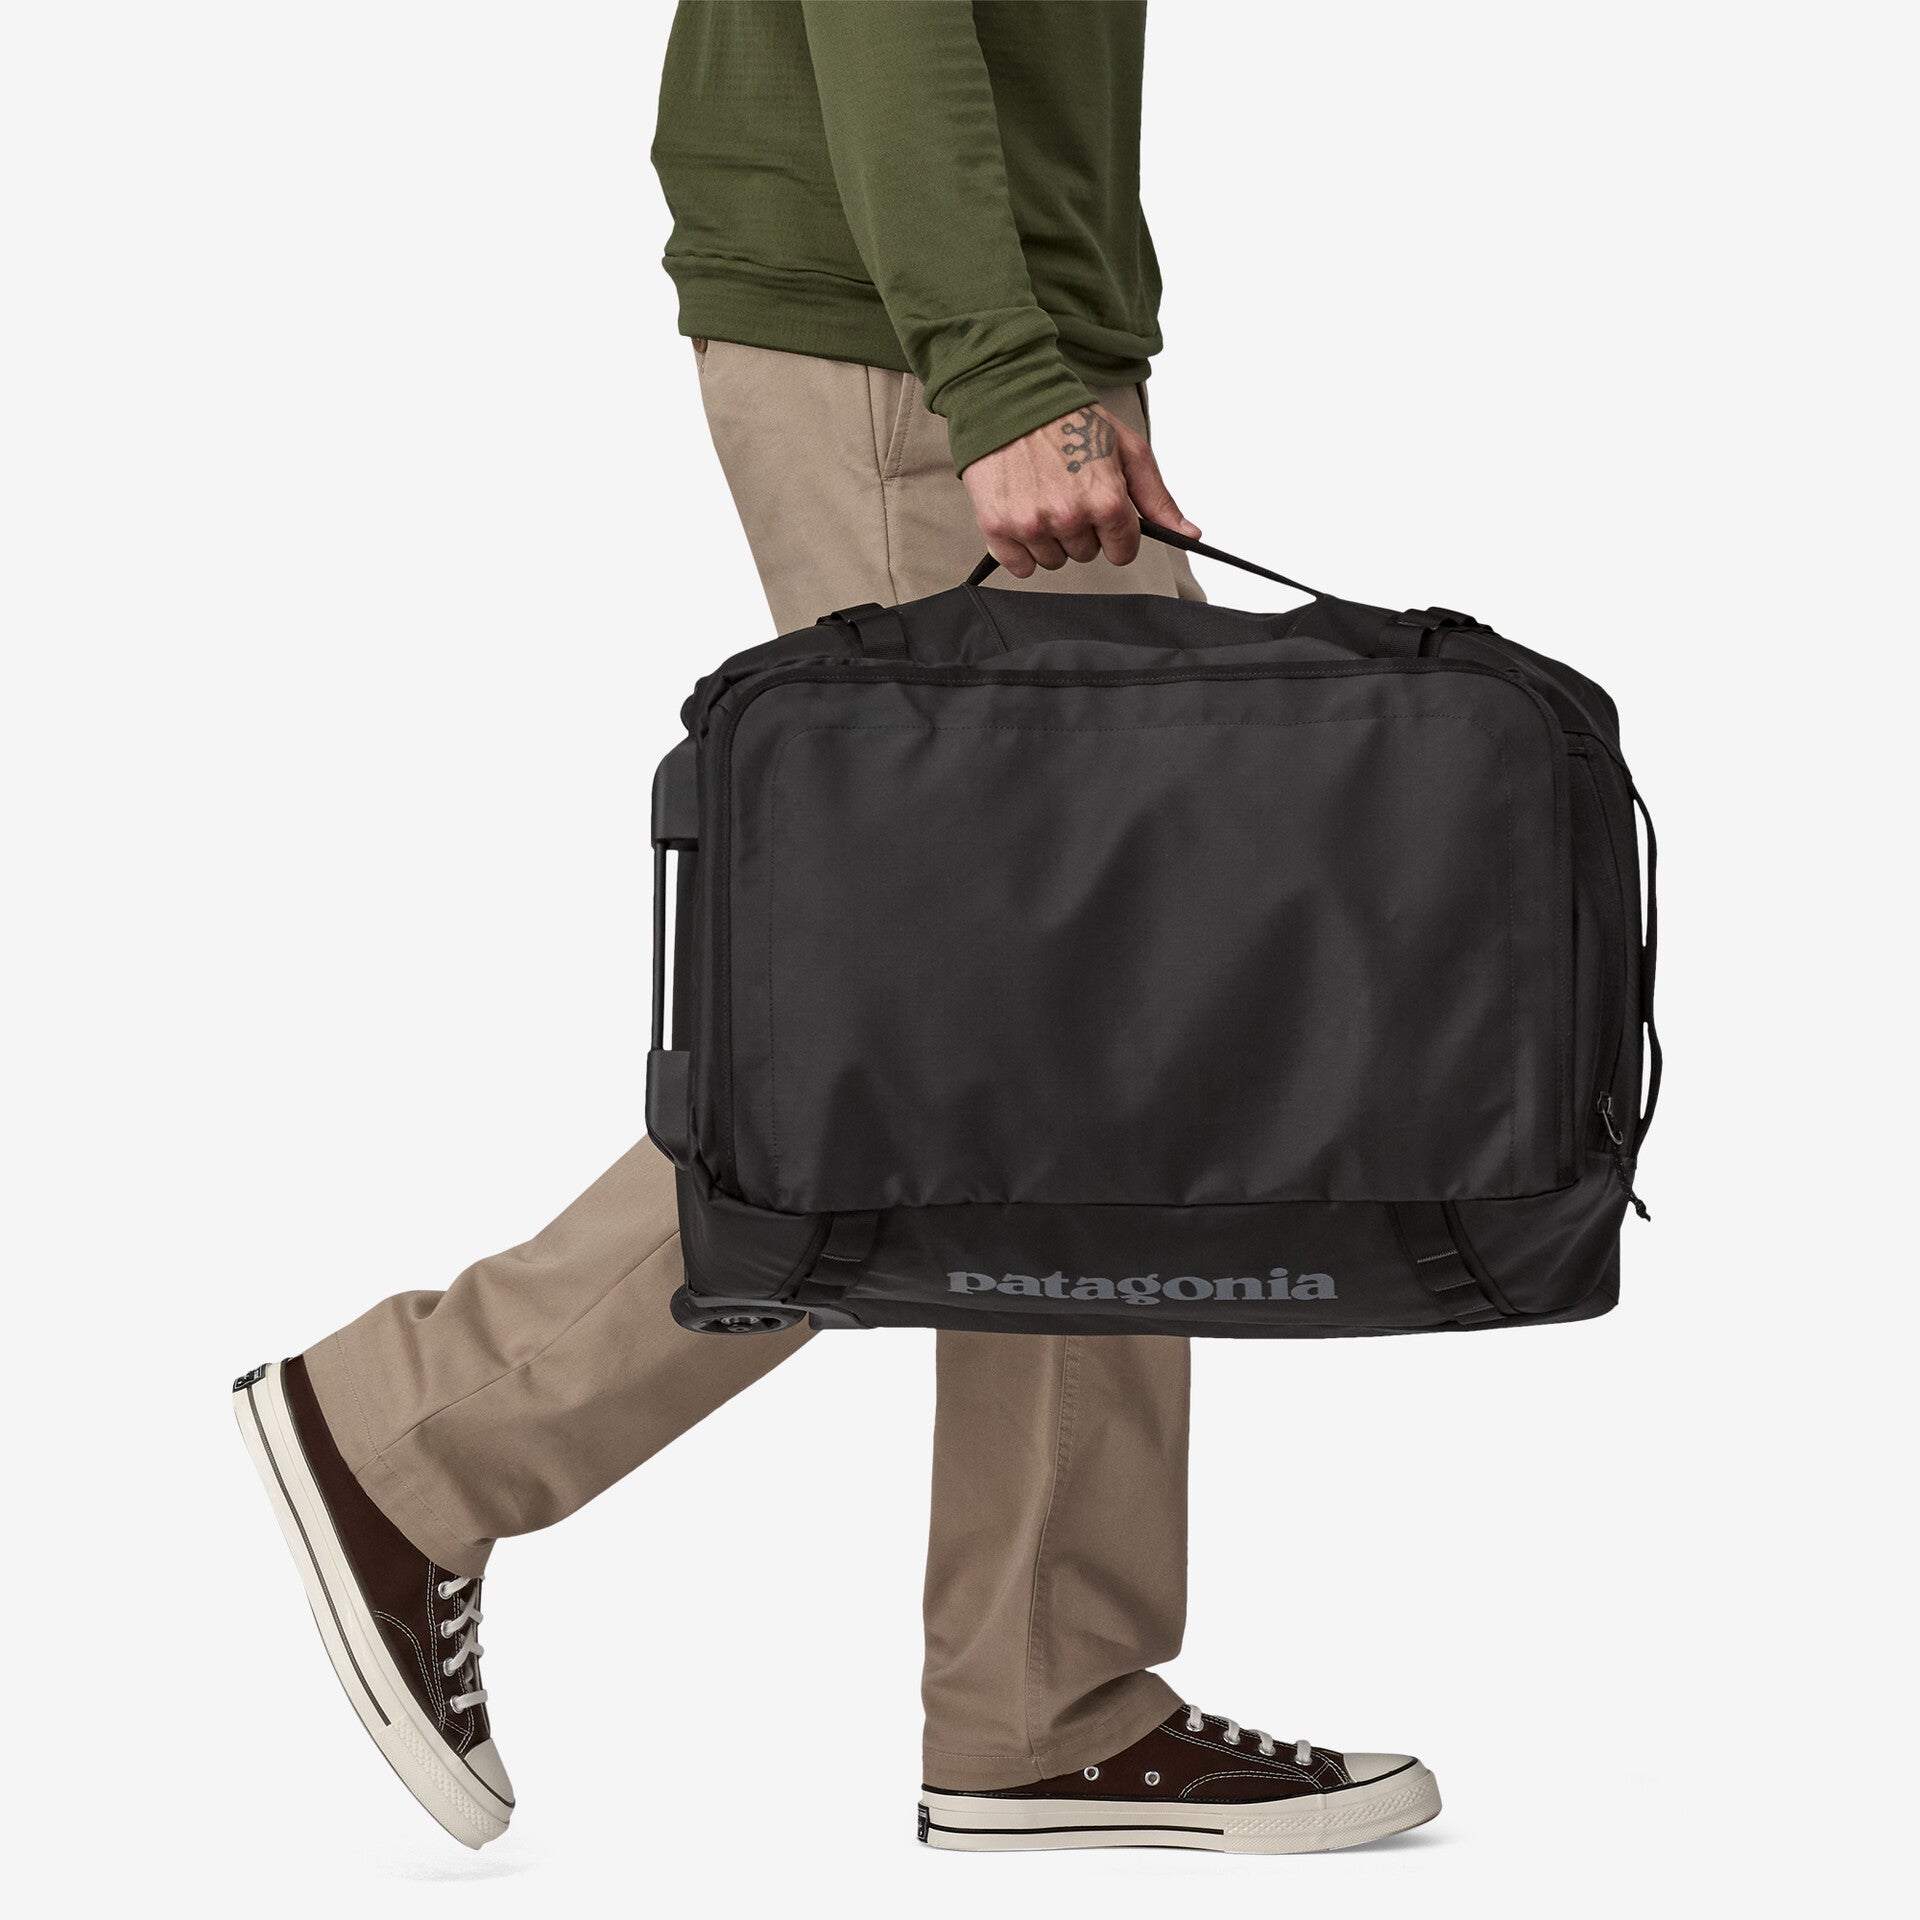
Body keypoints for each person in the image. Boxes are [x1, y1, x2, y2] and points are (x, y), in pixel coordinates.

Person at [233, 2, 1439, 1856]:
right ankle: (421, 1435)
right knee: (999, 1036)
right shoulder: (958, 358)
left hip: (964, 332)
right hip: (916, 343)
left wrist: (1069, 347)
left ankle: (1041, 1696)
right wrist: (1001, 370)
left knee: (1079, 1036)